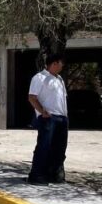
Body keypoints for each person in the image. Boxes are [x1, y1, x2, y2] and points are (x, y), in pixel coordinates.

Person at [27, 53, 68, 184]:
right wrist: (42, 111)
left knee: (60, 148)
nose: (62, 66)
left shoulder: (60, 79)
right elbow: (32, 97)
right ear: (54, 63)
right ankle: (37, 175)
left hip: (62, 118)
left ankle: (54, 174)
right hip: (48, 117)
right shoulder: (40, 78)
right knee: (44, 146)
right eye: (61, 63)